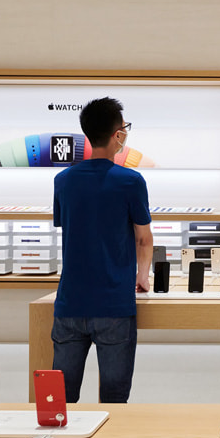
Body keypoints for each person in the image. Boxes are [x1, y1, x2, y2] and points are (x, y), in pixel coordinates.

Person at [52, 97, 153, 403]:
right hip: (114, 305)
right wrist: (143, 275)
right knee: (114, 397)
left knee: (62, 399)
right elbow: (143, 239)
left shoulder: (63, 180)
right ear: (116, 135)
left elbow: (67, 227)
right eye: (124, 128)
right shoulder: (131, 181)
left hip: (70, 302)